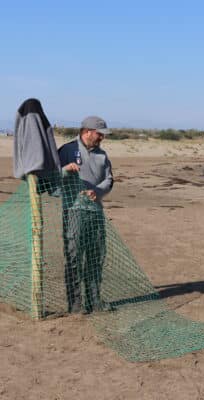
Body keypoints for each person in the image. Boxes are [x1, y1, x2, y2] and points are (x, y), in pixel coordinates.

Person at [58, 116, 114, 314]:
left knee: (96, 256)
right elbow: (50, 178)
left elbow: (109, 181)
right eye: (100, 134)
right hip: (73, 212)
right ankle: (75, 305)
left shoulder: (103, 156)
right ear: (87, 131)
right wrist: (64, 170)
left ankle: (95, 301)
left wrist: (97, 192)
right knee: (73, 257)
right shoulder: (67, 150)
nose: (102, 138)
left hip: (96, 212)